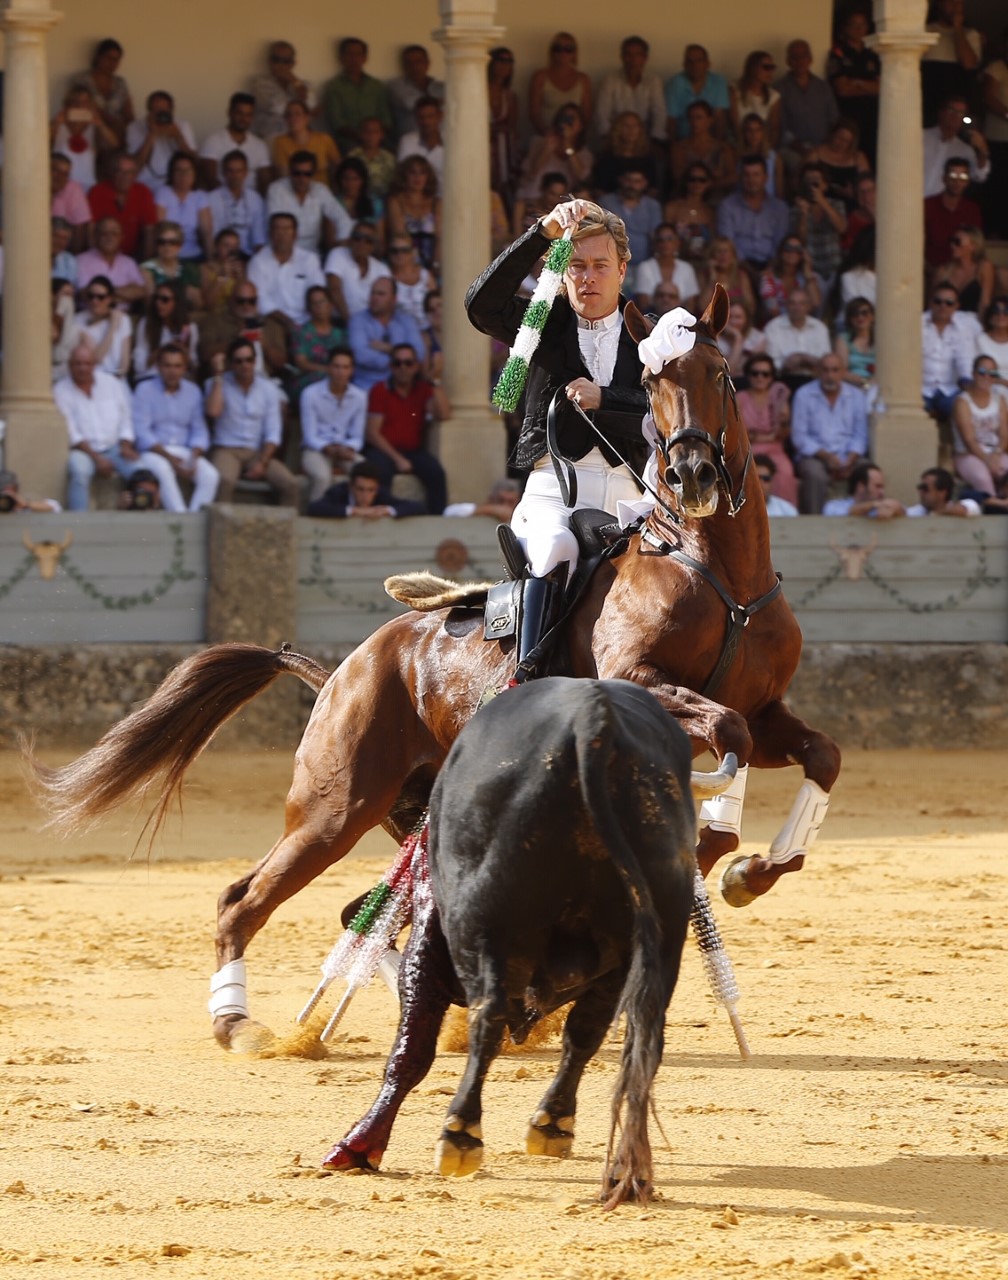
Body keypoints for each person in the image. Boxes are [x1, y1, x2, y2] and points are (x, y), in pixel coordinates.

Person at [464, 198, 651, 673]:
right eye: (577, 265)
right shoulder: (542, 321)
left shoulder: (651, 337)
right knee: (555, 550)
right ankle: (526, 678)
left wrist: (605, 398)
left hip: (634, 502)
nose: (588, 277)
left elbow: (664, 414)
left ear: (622, 269)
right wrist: (543, 233)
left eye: (600, 266)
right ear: (561, 271)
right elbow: (480, 304)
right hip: (553, 495)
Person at [205, 338, 300, 506]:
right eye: (239, 361)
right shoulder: (216, 384)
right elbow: (213, 412)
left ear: (255, 361)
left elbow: (273, 432)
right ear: (231, 364)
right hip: (226, 449)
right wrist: (218, 375)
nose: (245, 365)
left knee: (290, 484)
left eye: (249, 360)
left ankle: (283, 531)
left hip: (256, 451)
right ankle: (221, 530)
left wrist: (262, 462)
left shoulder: (268, 389)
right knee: (225, 481)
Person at [362, 342, 449, 513]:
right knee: (381, 472)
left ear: (416, 366)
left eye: (408, 363)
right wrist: (397, 459)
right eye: (397, 363)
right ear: (391, 367)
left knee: (435, 472)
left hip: (412, 451)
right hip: (383, 450)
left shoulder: (423, 389)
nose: (403, 368)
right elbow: (372, 433)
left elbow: (443, 414)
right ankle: (380, 516)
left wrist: (435, 380)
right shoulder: (380, 390)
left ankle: (437, 521)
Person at [133, 343, 219, 512]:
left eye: (177, 366)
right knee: (163, 469)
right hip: (154, 452)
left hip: (184, 450)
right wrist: (170, 459)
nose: (172, 371)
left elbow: (199, 430)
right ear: (158, 367)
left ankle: (193, 518)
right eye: (167, 366)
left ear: (184, 368)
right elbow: (142, 432)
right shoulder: (144, 390)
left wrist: (194, 457)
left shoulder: (193, 391)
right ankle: (180, 516)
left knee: (211, 475)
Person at [54, 342, 139, 511]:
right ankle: (79, 524)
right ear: (70, 366)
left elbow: (125, 417)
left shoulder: (112, 383)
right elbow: (72, 432)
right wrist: (97, 458)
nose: (82, 368)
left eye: (87, 363)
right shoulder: (60, 390)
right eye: (77, 363)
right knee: (80, 472)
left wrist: (126, 445)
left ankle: (142, 520)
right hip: (83, 451)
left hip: (115, 448)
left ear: (94, 364)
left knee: (141, 473)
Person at [790, 353, 870, 513]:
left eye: (835, 370)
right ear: (818, 371)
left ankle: (866, 519)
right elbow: (799, 437)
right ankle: (814, 524)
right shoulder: (804, 394)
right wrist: (827, 457)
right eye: (825, 370)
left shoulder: (856, 396)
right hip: (815, 456)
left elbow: (860, 435)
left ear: (843, 372)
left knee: (868, 472)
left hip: (848, 456)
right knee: (815, 475)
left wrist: (850, 459)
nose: (830, 376)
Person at [300, 346, 368, 500]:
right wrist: (328, 448)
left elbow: (357, 436)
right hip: (316, 449)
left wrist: (349, 448)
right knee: (322, 477)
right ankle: (315, 516)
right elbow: (310, 436)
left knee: (365, 472)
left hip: (344, 448)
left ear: (352, 370)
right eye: (336, 366)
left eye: (345, 367)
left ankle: (358, 516)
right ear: (328, 369)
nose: (340, 372)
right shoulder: (310, 394)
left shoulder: (359, 396)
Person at [775, 39, 839, 183]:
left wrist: (826, 147)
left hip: (823, 145)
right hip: (793, 149)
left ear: (810, 59)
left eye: (803, 56)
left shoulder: (823, 87)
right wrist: (804, 150)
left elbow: (834, 120)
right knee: (805, 170)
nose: (800, 61)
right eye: (794, 57)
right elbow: (781, 126)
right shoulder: (779, 88)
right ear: (788, 61)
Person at [247, 212, 326, 327]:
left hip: (307, 322)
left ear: (295, 235)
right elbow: (260, 299)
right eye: (277, 229)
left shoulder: (309, 260)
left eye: (286, 229)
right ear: (270, 234)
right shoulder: (258, 262)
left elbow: (318, 290)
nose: (281, 234)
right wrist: (288, 323)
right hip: (272, 322)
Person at [736, 354, 796, 504]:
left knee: (785, 472)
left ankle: (785, 512)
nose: (760, 378)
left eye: (765, 374)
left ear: (771, 377)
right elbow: (739, 433)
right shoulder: (739, 398)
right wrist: (768, 436)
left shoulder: (778, 397)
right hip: (748, 449)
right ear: (748, 375)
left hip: (776, 449)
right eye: (755, 373)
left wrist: (783, 421)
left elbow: (783, 435)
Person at [348, 277, 425, 391]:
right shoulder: (357, 320)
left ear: (393, 299)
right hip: (366, 387)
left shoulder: (407, 321)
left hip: (402, 389)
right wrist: (401, 360)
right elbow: (361, 356)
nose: (374, 298)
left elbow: (419, 354)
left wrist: (389, 349)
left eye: (381, 294)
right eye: (373, 293)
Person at [266, 151, 351, 255]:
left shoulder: (321, 190)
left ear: (313, 174)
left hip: (312, 254)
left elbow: (342, 218)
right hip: (281, 252)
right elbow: (277, 225)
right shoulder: (276, 189)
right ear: (290, 172)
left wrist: (341, 247)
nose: (302, 179)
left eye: (307, 174)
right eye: (297, 173)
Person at [715, 153, 789, 270]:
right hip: (738, 267)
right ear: (740, 178)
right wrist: (751, 273)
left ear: (766, 178)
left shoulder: (780, 208)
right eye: (746, 175)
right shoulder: (728, 206)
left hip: (773, 267)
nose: (751, 180)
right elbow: (728, 245)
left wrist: (768, 271)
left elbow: (781, 245)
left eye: (756, 175)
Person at [826, 10, 880, 169]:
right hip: (848, 116)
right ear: (845, 28)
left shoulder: (873, 55)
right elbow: (843, 89)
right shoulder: (838, 53)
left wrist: (857, 83)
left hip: (872, 117)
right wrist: (869, 86)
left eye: (862, 25)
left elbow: (883, 88)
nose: (858, 29)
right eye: (854, 25)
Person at [323, 37, 393, 155]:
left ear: (365, 58)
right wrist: (363, 138)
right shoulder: (334, 87)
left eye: (358, 54)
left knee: (392, 152)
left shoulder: (376, 86)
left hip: (377, 139)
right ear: (341, 58)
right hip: (348, 140)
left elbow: (386, 119)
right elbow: (337, 123)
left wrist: (374, 137)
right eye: (349, 54)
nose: (354, 59)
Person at [950, 356, 1008, 496]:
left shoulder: (999, 399)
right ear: (973, 373)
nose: (987, 376)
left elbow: (1004, 435)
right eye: (982, 371)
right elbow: (969, 440)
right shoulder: (962, 402)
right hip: (968, 455)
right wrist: (987, 460)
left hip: (995, 453)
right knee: (983, 479)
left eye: (992, 373)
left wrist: (996, 454)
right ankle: (992, 509)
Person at [594, 36, 667, 146]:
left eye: (637, 55)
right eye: (628, 54)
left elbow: (659, 114)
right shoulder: (610, 80)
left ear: (645, 58)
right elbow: (602, 115)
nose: (632, 59)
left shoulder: (653, 81)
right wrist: (610, 140)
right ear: (622, 57)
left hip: (645, 141)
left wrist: (655, 141)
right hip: (615, 141)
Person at [516, 104, 594, 206]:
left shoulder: (584, 154)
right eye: (564, 117)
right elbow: (529, 174)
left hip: (564, 205)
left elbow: (582, 178)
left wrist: (568, 146)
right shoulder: (539, 143)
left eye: (571, 118)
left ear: (581, 126)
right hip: (534, 201)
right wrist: (547, 150)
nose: (567, 122)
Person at [921, 0, 983, 125]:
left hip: (958, 105)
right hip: (929, 103)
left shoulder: (970, 34)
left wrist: (958, 28)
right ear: (940, 4)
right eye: (951, 2)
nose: (955, 7)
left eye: (959, 3)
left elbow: (969, 64)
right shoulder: (926, 32)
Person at [790, 162, 846, 297]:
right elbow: (800, 240)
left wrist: (822, 202)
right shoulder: (797, 208)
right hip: (811, 268)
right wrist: (803, 215)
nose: (812, 187)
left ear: (825, 185)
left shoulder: (837, 204)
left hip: (834, 266)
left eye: (816, 183)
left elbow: (842, 227)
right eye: (808, 182)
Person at [87, 153, 158, 260]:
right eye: (119, 171)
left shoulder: (143, 192)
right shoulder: (97, 192)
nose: (124, 176)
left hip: (133, 255)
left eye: (129, 172)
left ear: (135, 175)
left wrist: (146, 262)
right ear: (112, 173)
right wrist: (94, 259)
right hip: (102, 253)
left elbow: (149, 231)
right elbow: (90, 231)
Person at [922, 284, 975, 421]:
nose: (943, 306)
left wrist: (968, 384)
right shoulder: (916, 324)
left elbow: (964, 359)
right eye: (938, 301)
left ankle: (962, 443)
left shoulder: (963, 327)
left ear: (957, 306)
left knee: (966, 410)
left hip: (949, 390)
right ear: (930, 302)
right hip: (920, 390)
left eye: (949, 303)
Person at [70, 37, 134, 149]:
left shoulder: (120, 83)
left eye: (116, 59)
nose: (112, 63)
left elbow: (128, 113)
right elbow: (76, 108)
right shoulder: (82, 80)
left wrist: (126, 129)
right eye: (108, 58)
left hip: (117, 134)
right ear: (98, 57)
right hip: (89, 129)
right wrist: (110, 121)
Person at [599, 162, 662, 274]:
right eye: (628, 180)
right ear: (621, 180)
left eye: (637, 181)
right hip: (613, 265)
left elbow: (656, 238)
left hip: (644, 266)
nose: (632, 185)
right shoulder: (606, 202)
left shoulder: (652, 206)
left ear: (644, 184)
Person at [126, 90, 197, 191]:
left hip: (175, 184)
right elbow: (135, 166)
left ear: (172, 110)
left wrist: (178, 137)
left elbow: (193, 161)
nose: (161, 115)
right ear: (149, 111)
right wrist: (151, 135)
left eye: (164, 111)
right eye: (156, 110)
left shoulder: (182, 125)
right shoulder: (135, 127)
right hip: (145, 184)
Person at [199, 92, 271, 191]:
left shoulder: (259, 145)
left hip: (253, 202)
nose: (243, 119)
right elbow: (210, 179)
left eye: (248, 115)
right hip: (220, 200)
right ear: (229, 113)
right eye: (239, 113)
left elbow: (264, 181)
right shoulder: (213, 141)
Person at [307, 458, 423, 519]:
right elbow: (314, 508)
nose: (365, 496)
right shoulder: (339, 492)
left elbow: (418, 508)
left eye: (370, 490)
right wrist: (354, 511)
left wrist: (387, 511)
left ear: (376, 488)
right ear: (350, 487)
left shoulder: (381, 495)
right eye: (360, 489)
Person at [50, 84, 117, 189]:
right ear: (67, 105)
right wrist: (56, 123)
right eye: (75, 102)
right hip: (60, 186)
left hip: (87, 186)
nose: (79, 106)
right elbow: (41, 144)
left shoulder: (94, 127)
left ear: (91, 105)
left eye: (85, 102)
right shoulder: (59, 125)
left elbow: (113, 144)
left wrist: (100, 124)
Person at [923, 95, 991, 199]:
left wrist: (982, 151)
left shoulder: (964, 150)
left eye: (960, 113)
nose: (955, 116)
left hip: (938, 209)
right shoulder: (920, 136)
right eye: (951, 110)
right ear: (941, 113)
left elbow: (979, 176)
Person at [924, 156, 984, 269]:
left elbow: (977, 246)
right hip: (932, 269)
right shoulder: (927, 206)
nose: (957, 181)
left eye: (962, 177)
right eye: (952, 176)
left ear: (967, 181)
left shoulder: (972, 209)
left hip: (964, 270)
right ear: (944, 178)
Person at [763, 287, 832, 386]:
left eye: (802, 303)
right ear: (786, 305)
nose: (797, 307)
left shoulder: (819, 327)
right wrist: (786, 365)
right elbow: (769, 361)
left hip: (815, 379)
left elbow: (825, 360)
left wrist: (804, 358)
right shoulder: (773, 327)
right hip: (783, 379)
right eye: (792, 303)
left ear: (808, 307)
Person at [324, 221, 390, 323]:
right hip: (340, 321)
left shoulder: (382, 269)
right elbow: (334, 289)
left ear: (374, 246)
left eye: (368, 240)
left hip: (371, 323)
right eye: (357, 237)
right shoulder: (337, 254)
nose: (361, 243)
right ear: (350, 240)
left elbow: (386, 302)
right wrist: (351, 322)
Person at [132, 280, 198, 382]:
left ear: (177, 302)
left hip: (179, 380)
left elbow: (193, 367)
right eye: (156, 299)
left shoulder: (190, 328)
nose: (159, 303)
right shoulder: (146, 324)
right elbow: (139, 367)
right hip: (151, 378)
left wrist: (184, 353)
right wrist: (162, 351)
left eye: (165, 299)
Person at [250, 41, 316, 142]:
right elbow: (277, 108)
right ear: (270, 61)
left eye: (286, 61)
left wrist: (294, 81)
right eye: (276, 60)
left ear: (292, 64)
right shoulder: (260, 84)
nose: (280, 65)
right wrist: (300, 108)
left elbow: (312, 106)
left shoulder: (304, 84)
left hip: (300, 141)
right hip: (271, 139)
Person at [528, 32, 593, 136]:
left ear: (574, 53)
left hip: (573, 138)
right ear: (551, 52)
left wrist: (574, 137)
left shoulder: (583, 79)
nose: (563, 52)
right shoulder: (540, 77)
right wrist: (548, 135)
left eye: (568, 49)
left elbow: (587, 115)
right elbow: (534, 114)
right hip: (546, 136)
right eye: (558, 48)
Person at [205, 150, 267, 258]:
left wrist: (260, 261)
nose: (235, 176)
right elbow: (212, 236)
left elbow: (259, 237)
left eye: (239, 171)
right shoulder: (212, 198)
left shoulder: (255, 199)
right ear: (223, 173)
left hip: (248, 255)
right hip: (221, 256)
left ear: (246, 173)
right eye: (230, 171)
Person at [670, 99, 737, 200]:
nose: (694, 122)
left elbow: (733, 177)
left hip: (717, 199)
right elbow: (678, 176)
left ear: (709, 120)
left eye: (699, 118)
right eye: (691, 118)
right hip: (688, 199)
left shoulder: (723, 147)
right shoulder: (680, 148)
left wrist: (711, 184)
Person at [385, 157, 441, 273]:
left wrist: (435, 266)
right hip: (403, 262)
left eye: (422, 173)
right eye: (412, 172)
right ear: (404, 176)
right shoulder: (396, 201)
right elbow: (399, 235)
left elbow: (440, 238)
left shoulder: (437, 203)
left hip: (433, 261)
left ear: (428, 177)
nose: (417, 177)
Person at [69, 275, 132, 377]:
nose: (95, 301)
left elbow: (125, 360)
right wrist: (112, 327)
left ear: (110, 299)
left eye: (100, 297)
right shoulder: (79, 320)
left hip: (117, 378)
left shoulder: (123, 319)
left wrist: (119, 375)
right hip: (94, 377)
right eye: (91, 296)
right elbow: (96, 358)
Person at [664, 44, 730, 141]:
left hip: (711, 140)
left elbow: (720, 119)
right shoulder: (674, 84)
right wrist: (674, 149)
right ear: (684, 65)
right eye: (690, 62)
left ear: (708, 64)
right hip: (683, 140)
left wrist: (717, 148)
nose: (694, 66)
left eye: (699, 61)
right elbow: (671, 121)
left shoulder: (718, 82)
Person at [154, 152, 211, 262]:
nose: (183, 175)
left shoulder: (200, 196)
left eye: (188, 170)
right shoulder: (163, 193)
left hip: (194, 254)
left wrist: (210, 259)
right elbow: (159, 228)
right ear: (172, 173)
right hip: (168, 254)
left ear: (195, 173)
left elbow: (207, 232)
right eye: (178, 170)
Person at [271, 98, 341, 186]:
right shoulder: (281, 142)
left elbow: (338, 168)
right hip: (295, 192)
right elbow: (283, 176)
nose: (293, 118)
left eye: (297, 114)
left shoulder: (324, 139)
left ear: (307, 118)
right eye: (289, 115)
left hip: (323, 192)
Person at [291, 285, 345, 397]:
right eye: (314, 303)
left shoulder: (340, 334)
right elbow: (301, 363)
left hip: (337, 376)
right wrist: (327, 370)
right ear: (309, 308)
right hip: (309, 379)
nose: (318, 307)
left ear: (330, 305)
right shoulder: (302, 332)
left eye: (322, 302)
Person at [632, 223, 699, 313]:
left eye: (669, 239)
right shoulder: (644, 267)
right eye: (660, 240)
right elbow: (644, 304)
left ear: (677, 243)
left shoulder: (687, 269)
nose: (665, 243)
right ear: (655, 244)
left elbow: (691, 306)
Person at [807, 117, 870, 211]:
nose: (841, 144)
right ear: (832, 134)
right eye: (839, 138)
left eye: (846, 141)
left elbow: (868, 187)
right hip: (821, 204)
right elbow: (799, 181)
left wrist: (853, 193)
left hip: (850, 205)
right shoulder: (816, 154)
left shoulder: (858, 157)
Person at [933, 226, 994, 318]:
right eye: (951, 241)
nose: (952, 245)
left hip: (972, 321)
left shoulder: (983, 267)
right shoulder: (943, 271)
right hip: (946, 322)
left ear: (973, 246)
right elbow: (932, 302)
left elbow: (984, 302)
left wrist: (981, 327)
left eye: (957, 242)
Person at [981, 32, 1008, 240]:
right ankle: (994, 231)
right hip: (999, 140)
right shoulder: (997, 68)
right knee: (997, 186)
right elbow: (988, 98)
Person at [388, 44, 445, 142]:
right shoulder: (396, 86)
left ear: (427, 64)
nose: (415, 66)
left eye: (419, 62)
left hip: (441, 143)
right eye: (409, 63)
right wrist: (441, 101)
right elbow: (413, 104)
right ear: (404, 66)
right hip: (410, 143)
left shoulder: (441, 87)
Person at [140, 220, 202, 308]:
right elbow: (150, 304)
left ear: (180, 245)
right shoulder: (146, 268)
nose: (167, 246)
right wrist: (182, 292)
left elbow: (199, 304)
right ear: (156, 244)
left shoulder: (190, 269)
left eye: (173, 242)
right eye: (162, 242)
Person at [592, 110, 657, 195]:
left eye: (635, 126)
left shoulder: (647, 157)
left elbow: (653, 189)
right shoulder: (607, 158)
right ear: (618, 129)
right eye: (626, 126)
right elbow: (599, 189)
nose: (631, 130)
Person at [662, 163, 716, 264]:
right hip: (676, 262)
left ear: (709, 183)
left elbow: (713, 243)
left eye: (702, 180)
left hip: (703, 264)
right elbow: (664, 237)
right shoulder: (672, 208)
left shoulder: (711, 212)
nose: (697, 183)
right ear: (685, 182)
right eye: (692, 179)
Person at [759, 235, 822, 321]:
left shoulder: (807, 277)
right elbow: (772, 309)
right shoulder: (769, 277)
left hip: (802, 324)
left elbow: (816, 303)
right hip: (776, 325)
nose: (793, 252)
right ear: (781, 252)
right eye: (788, 248)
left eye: (798, 249)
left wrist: (807, 271)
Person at [730, 51, 781, 148]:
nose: (770, 72)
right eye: (766, 67)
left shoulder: (774, 96)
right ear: (752, 68)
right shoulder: (734, 90)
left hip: (762, 147)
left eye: (772, 68)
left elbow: (774, 129)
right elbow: (734, 125)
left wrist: (766, 150)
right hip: (737, 145)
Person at [488, 47, 520, 202]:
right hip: (482, 147)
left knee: (504, 187)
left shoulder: (510, 95)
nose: (505, 65)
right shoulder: (478, 88)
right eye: (501, 60)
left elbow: (512, 126)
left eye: (509, 61)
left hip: (504, 149)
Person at [822, 461, 905, 518]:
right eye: (877, 486)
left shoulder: (883, 508)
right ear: (861, 487)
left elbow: (909, 514)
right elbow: (833, 514)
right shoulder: (834, 506)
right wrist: (870, 505)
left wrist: (898, 509)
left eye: (882, 487)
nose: (882, 492)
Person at [386, 235, 437, 328]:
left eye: (404, 250)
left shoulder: (425, 275)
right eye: (395, 251)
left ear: (413, 252)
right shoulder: (386, 277)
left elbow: (435, 304)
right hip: (400, 330)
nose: (399, 254)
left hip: (428, 329)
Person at [333, 157, 384, 245]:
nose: (350, 183)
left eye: (355, 179)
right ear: (339, 180)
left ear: (362, 181)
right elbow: (330, 242)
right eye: (345, 178)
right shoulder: (332, 204)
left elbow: (381, 241)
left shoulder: (375, 203)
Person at [347, 116, 397, 200]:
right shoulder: (352, 156)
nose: (371, 136)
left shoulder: (389, 158)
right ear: (360, 134)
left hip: (384, 201)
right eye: (366, 132)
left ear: (382, 135)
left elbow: (395, 185)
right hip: (359, 201)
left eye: (375, 132)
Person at [51, 152, 93, 251]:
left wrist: (72, 257)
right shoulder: (33, 188)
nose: (60, 177)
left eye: (65, 174)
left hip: (62, 251)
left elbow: (80, 227)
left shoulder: (73, 188)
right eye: (55, 171)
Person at [834, 296, 876, 393]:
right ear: (849, 319)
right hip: (851, 387)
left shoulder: (881, 340)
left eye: (865, 313)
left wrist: (871, 385)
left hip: (877, 387)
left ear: (872, 316)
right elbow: (842, 371)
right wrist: (865, 383)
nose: (860, 317)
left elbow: (886, 368)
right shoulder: (843, 339)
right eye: (855, 314)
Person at [200, 228, 247, 315]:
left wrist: (240, 278)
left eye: (235, 246)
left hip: (236, 315)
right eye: (226, 245)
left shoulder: (243, 267)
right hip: (214, 315)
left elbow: (245, 301)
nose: (231, 250)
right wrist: (222, 276)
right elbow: (208, 304)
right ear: (216, 247)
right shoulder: (205, 268)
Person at [738, 111, 784, 198]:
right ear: (744, 133)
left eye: (757, 130)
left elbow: (779, 191)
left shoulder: (775, 158)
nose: (753, 134)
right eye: (749, 130)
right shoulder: (738, 157)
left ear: (763, 132)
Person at [716, 299, 765, 376]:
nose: (733, 321)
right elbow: (728, 372)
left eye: (738, 317)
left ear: (746, 319)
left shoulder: (758, 338)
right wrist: (738, 339)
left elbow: (753, 370)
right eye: (729, 317)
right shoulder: (715, 339)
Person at [908, 465, 981, 517]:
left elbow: (971, 508)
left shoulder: (963, 506)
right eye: (920, 487)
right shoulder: (919, 511)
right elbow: (903, 512)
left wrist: (937, 513)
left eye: (925, 488)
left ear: (942, 493)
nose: (921, 492)